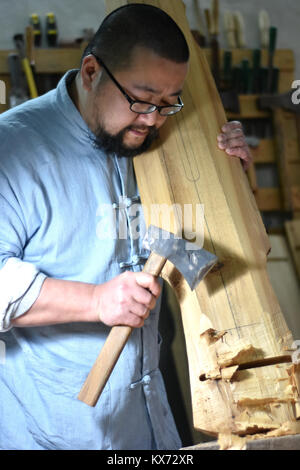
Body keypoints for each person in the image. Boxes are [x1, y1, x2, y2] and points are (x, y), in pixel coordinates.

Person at [0, 4, 252, 450]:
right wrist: (96, 300)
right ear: (92, 70)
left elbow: (183, 251)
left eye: (167, 103)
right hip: (55, 431)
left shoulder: (149, 141)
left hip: (148, 422)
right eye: (141, 99)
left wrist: (229, 187)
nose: (152, 119)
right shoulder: (12, 148)